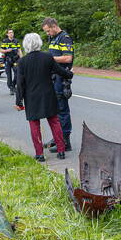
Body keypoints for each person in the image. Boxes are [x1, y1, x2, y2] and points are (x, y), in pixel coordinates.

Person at [14, 32, 73, 160]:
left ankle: (39, 154)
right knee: (55, 122)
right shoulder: (47, 57)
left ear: (26, 45)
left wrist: (19, 101)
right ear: (39, 43)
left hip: (31, 97)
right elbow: (60, 71)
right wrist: (70, 74)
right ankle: (61, 151)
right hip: (48, 94)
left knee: (34, 125)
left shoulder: (22, 62)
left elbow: (20, 84)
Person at [41, 17, 74, 152]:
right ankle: (57, 137)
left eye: (48, 30)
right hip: (53, 77)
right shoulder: (53, 38)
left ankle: (65, 141)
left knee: (62, 108)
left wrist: (49, 59)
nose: (47, 33)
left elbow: (68, 58)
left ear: (54, 26)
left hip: (62, 77)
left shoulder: (64, 38)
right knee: (55, 109)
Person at [0, 29, 21, 94]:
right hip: (8, 60)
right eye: (10, 33)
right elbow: (1, 50)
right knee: (9, 76)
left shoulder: (16, 41)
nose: (11, 33)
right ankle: (11, 88)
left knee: (17, 73)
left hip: (15, 60)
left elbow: (19, 50)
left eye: (12, 32)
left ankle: (13, 85)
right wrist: (7, 50)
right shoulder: (5, 41)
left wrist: (22, 58)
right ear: (7, 34)